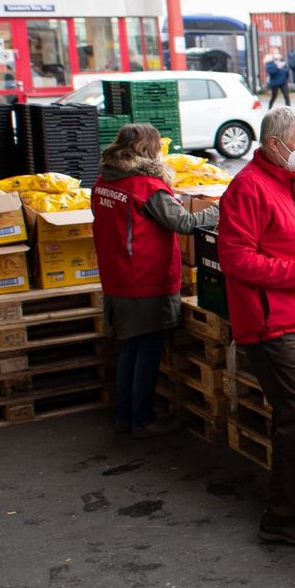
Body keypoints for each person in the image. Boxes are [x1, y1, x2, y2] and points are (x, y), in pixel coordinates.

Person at [217, 107, 295, 547]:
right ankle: (281, 518)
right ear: (276, 144)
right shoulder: (248, 188)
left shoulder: (288, 184)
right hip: (272, 323)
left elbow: (290, 239)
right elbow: (235, 259)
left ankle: (292, 499)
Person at [92, 123, 218, 439]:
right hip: (145, 279)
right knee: (147, 350)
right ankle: (143, 421)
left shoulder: (104, 181)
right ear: (150, 150)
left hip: (118, 275)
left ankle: (125, 417)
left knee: (130, 349)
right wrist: (222, 208)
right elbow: (186, 223)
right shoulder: (145, 186)